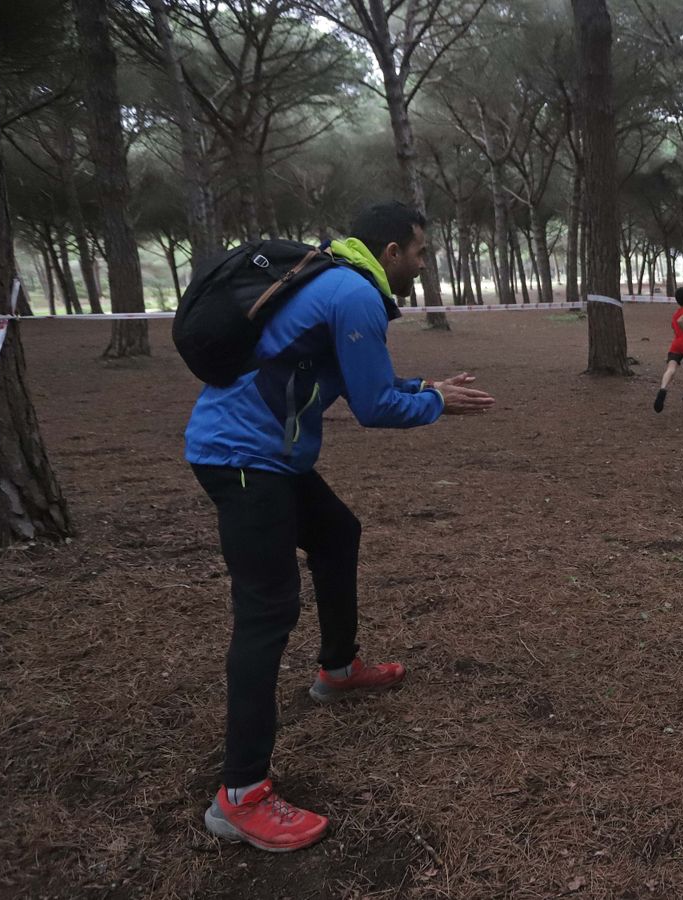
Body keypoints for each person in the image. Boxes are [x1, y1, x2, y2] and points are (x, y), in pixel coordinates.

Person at [186, 201, 496, 852]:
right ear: (388, 253)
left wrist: (427, 383)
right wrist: (436, 401)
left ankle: (337, 668)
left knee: (336, 533)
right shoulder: (353, 292)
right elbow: (377, 407)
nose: (422, 262)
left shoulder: (339, 281)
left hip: (270, 456)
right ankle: (238, 797)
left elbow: (363, 380)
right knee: (267, 611)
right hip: (242, 458)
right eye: (418, 251)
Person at [654, 286, 683, 412]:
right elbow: (682, 321)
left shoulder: (675, 314)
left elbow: (676, 324)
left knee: (671, 369)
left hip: (676, 344)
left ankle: (663, 388)